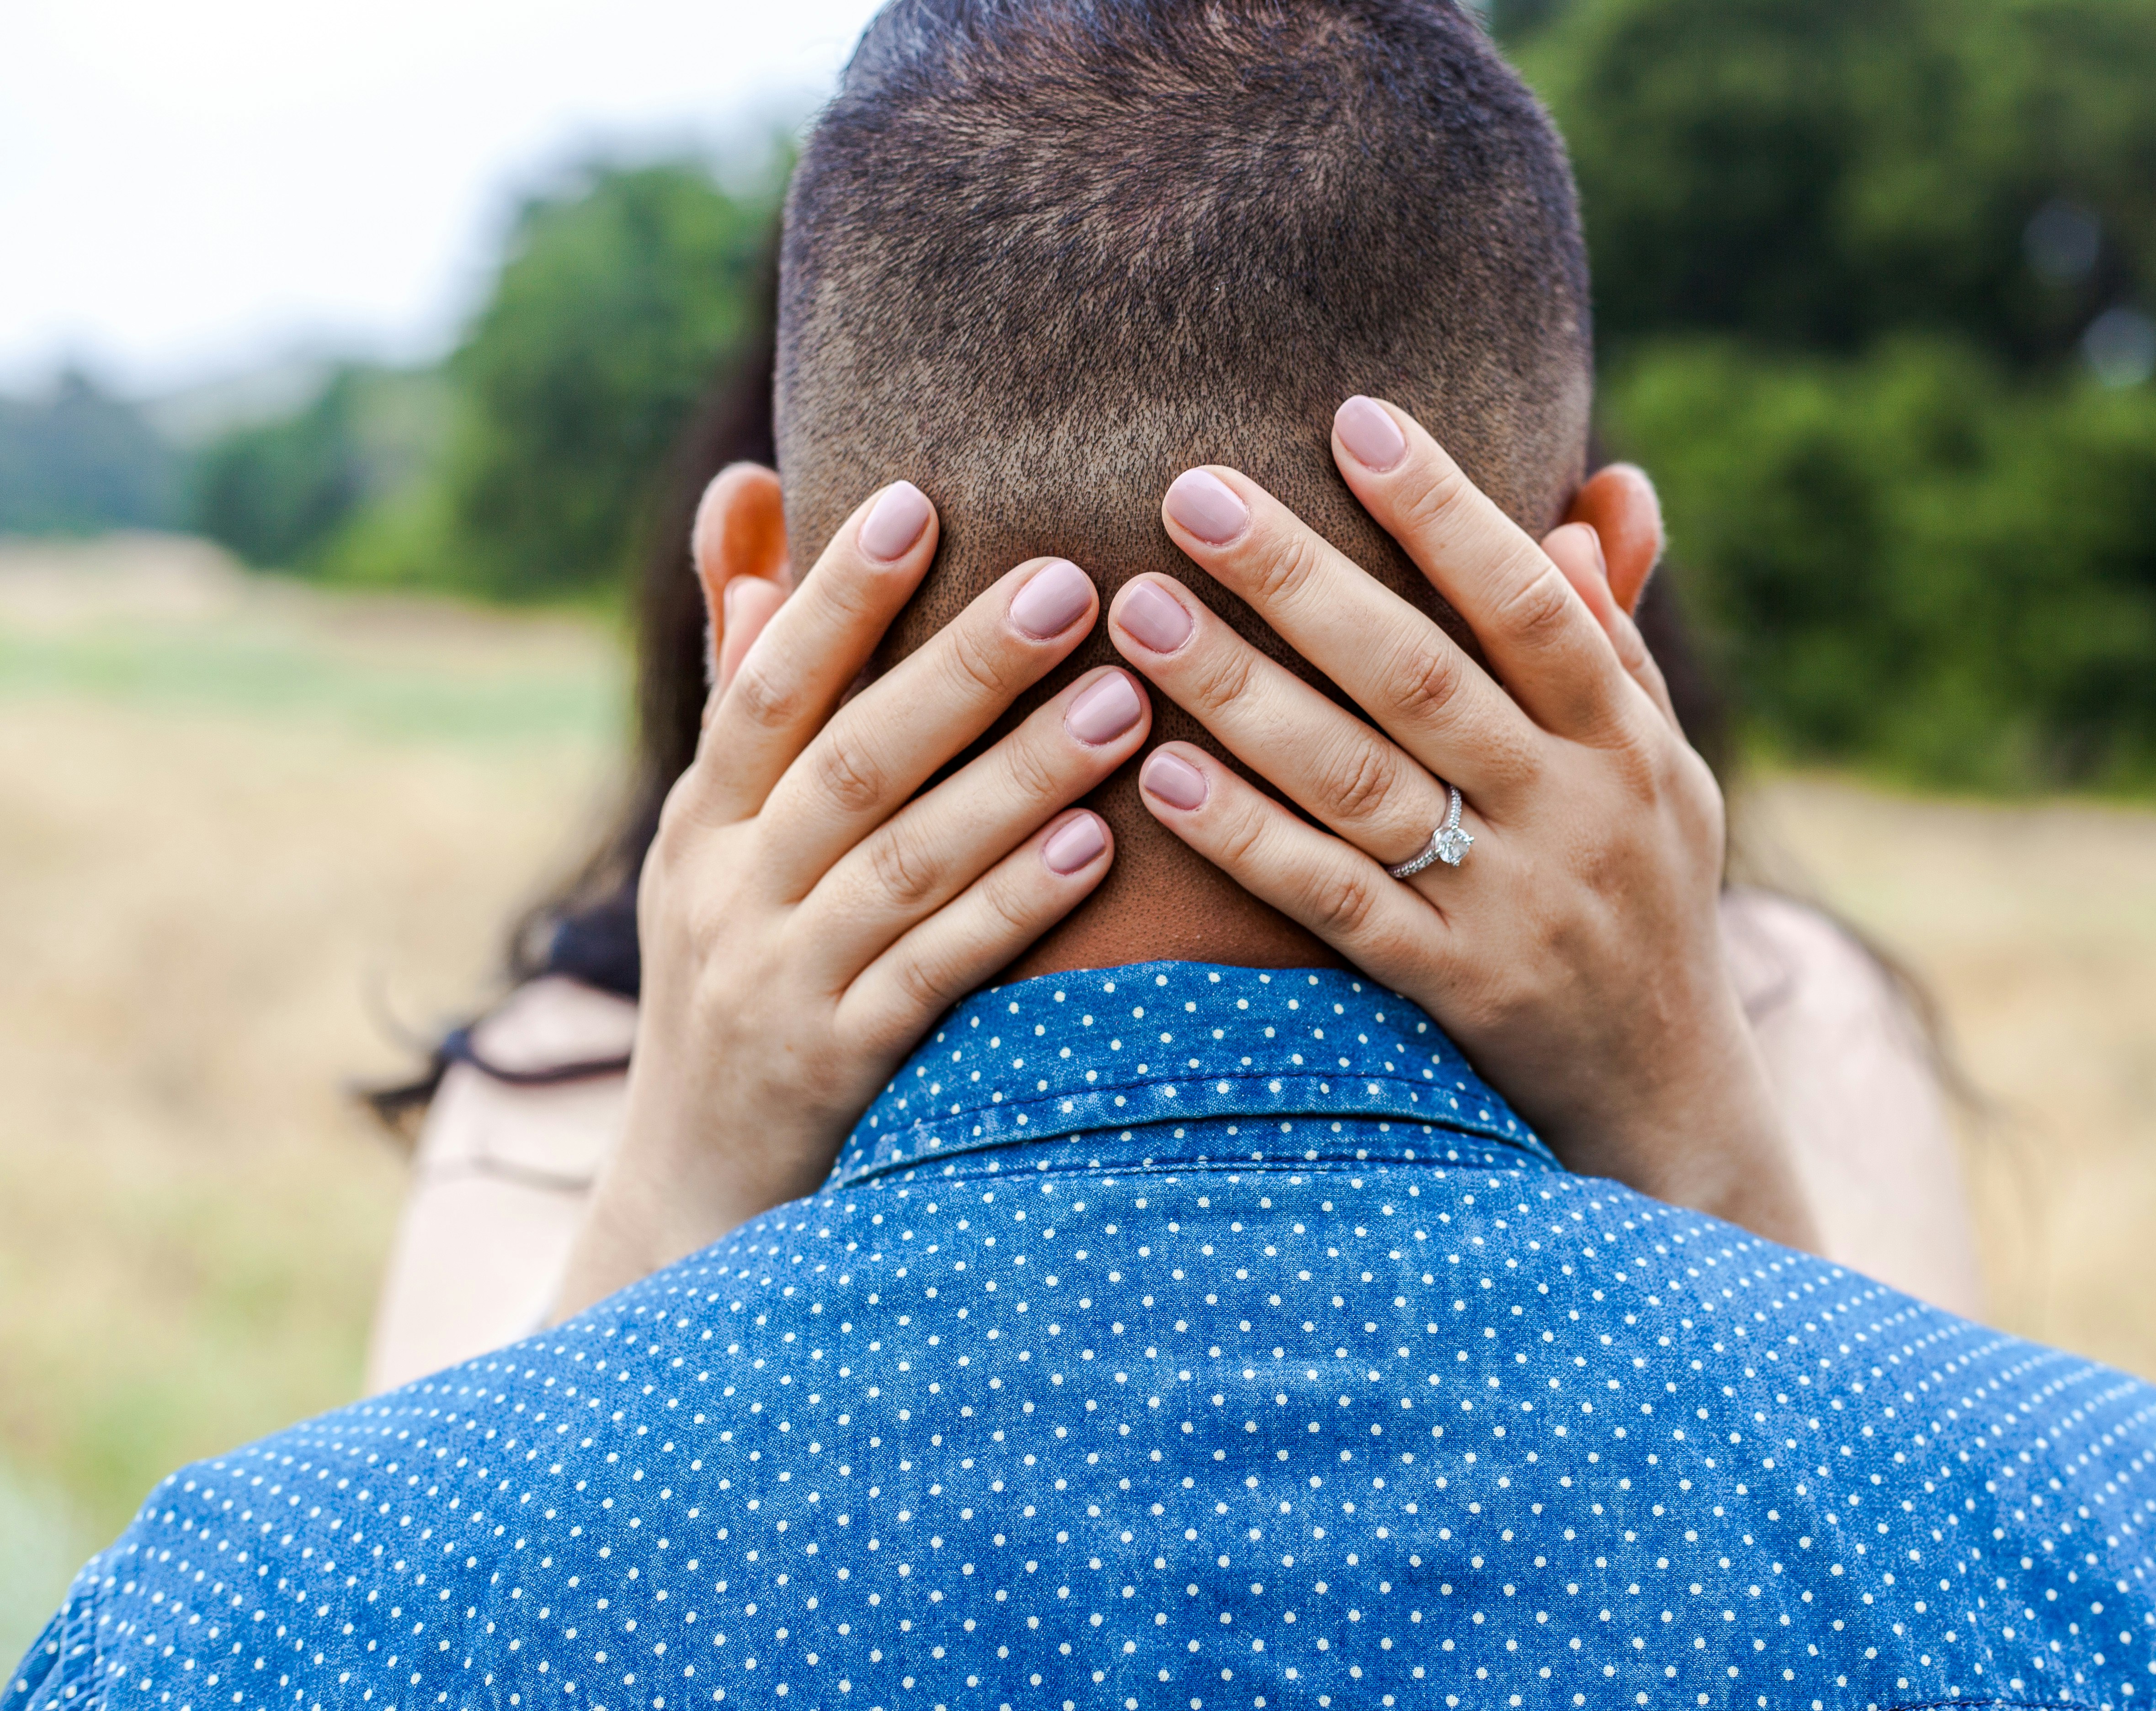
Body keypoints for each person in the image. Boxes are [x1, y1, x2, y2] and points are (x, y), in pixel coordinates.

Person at [8, 3, 2156, 1707]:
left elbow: (464, 1591)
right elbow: (1919, 1540)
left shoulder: (227, 1627)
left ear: (770, 586)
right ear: (1587, 573)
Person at [363, 269, 1975, 1401]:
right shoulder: (586, 1059)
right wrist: (684, 1162)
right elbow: (494, 1567)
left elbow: (1894, 1543)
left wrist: (1689, 1103)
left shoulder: (1779, 1002)